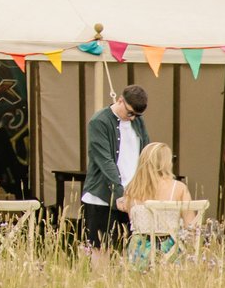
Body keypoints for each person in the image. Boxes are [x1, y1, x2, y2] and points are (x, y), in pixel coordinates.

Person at [81, 84, 150, 251]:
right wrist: (119, 193)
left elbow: (146, 152)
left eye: (137, 115)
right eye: (130, 113)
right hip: (103, 195)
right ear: (120, 100)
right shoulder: (100, 121)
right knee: (100, 248)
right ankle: (99, 278)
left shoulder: (138, 122)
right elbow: (105, 161)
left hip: (133, 194)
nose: (133, 118)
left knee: (132, 248)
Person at [122, 143, 193, 267]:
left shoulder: (131, 190)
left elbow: (133, 220)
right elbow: (191, 226)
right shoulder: (179, 188)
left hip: (139, 250)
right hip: (170, 247)